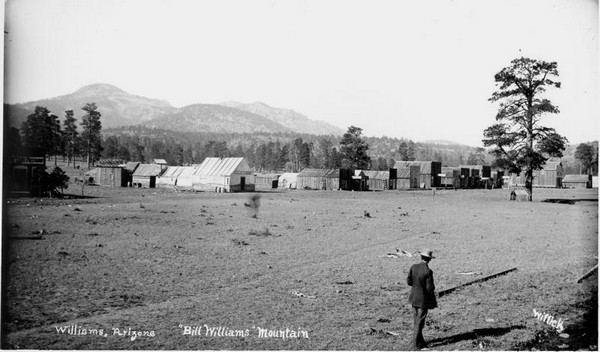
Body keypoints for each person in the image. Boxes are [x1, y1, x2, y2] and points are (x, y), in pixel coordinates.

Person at [407, 249, 437, 350]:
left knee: (416, 321)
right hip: (423, 300)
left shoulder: (413, 267)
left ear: (421, 257)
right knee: (420, 322)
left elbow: (409, 282)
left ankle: (421, 342)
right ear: (429, 259)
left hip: (413, 298)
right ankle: (415, 345)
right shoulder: (428, 271)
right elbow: (430, 288)